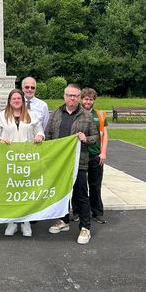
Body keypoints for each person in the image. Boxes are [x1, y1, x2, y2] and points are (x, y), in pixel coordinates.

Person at [45, 84, 99, 244]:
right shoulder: (55, 113)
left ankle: (85, 227)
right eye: (69, 95)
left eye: (75, 96)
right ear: (64, 96)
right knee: (61, 193)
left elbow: (95, 136)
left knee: (80, 195)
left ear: (79, 97)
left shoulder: (86, 116)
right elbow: (48, 135)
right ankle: (63, 221)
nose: (72, 98)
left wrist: (86, 139)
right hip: (59, 163)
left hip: (79, 162)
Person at [0, 89, 45, 237]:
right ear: (9, 101)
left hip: (27, 159)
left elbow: (40, 131)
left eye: (19, 98)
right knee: (10, 191)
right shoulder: (2, 116)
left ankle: (26, 222)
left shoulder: (31, 115)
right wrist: (1, 140)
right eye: (13, 98)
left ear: (22, 100)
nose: (16, 100)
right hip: (8, 159)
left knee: (25, 191)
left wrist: (39, 136)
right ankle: (12, 222)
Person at [80, 88, 108, 224]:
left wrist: (103, 152)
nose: (88, 101)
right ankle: (78, 211)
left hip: (95, 154)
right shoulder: (77, 114)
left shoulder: (100, 115)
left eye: (91, 99)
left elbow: (105, 135)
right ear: (81, 99)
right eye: (86, 99)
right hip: (80, 155)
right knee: (79, 185)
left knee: (95, 185)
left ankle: (97, 212)